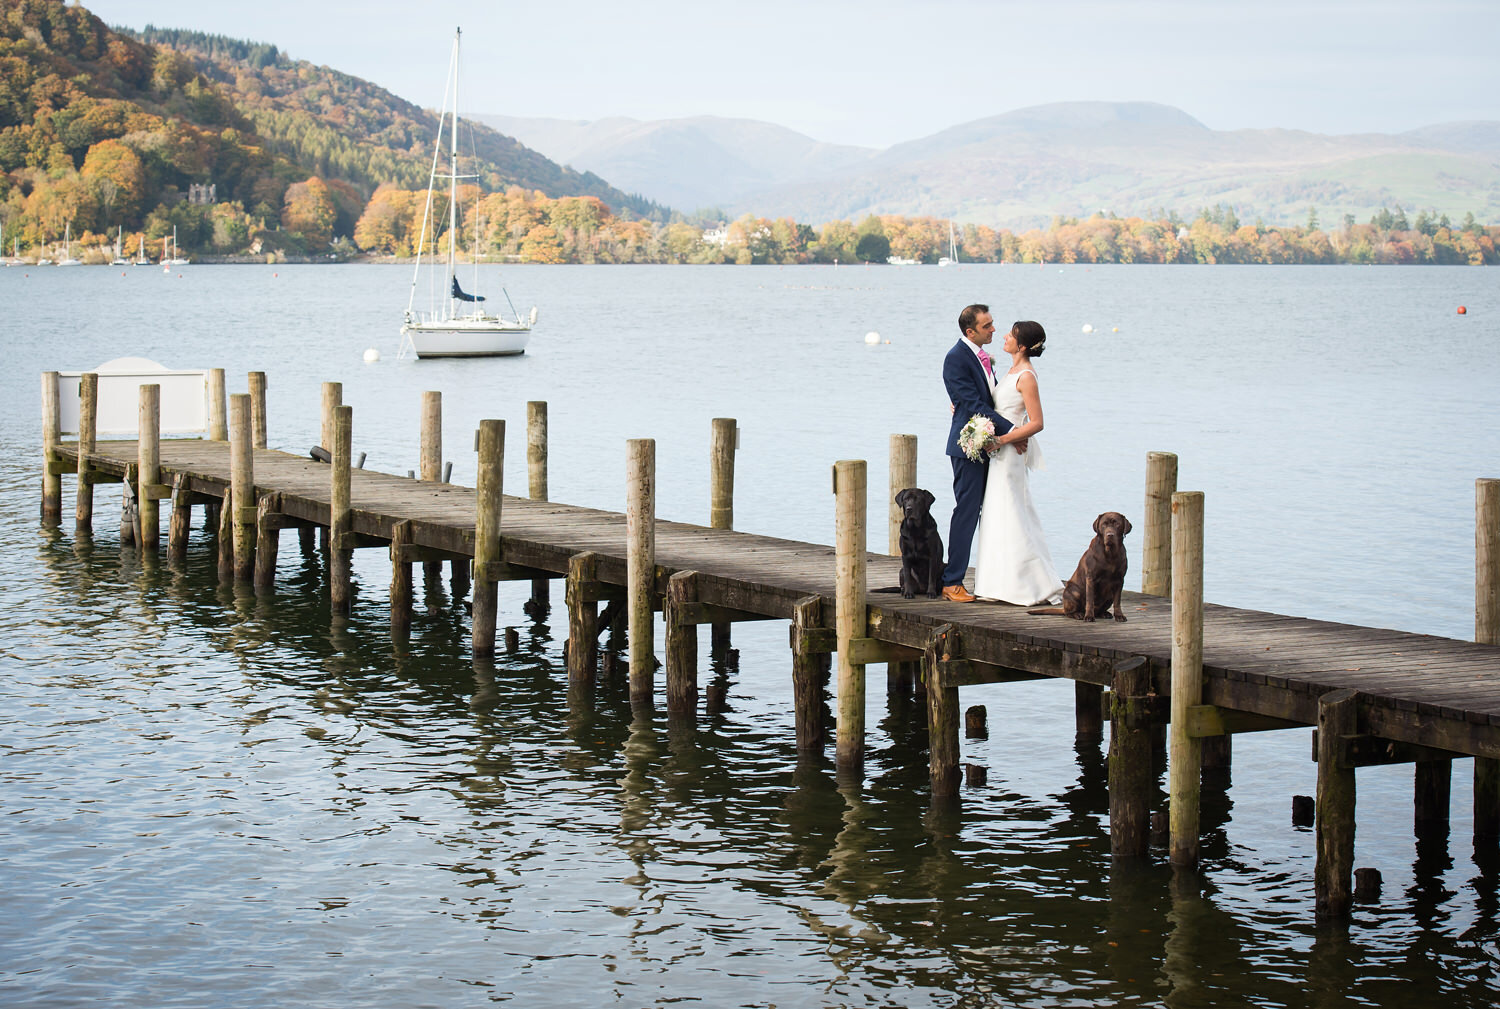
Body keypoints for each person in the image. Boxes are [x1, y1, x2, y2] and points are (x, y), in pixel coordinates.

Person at [971, 320, 1065, 605]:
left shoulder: (1026, 376)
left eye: (1011, 335)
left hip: (1010, 454)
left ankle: (1027, 584)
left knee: (1012, 510)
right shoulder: (1009, 371)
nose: (1004, 336)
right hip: (1000, 453)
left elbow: (1037, 422)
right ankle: (997, 583)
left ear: (1022, 345)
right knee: (997, 513)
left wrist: (1003, 440)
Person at [939, 304, 1023, 602]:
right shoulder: (956, 358)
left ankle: (996, 577)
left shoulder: (982, 357)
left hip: (988, 442)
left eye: (992, 323)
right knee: (967, 510)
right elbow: (973, 404)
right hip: (968, 447)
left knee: (994, 510)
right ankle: (952, 581)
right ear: (970, 331)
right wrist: (1014, 432)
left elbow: (989, 399)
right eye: (987, 326)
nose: (993, 330)